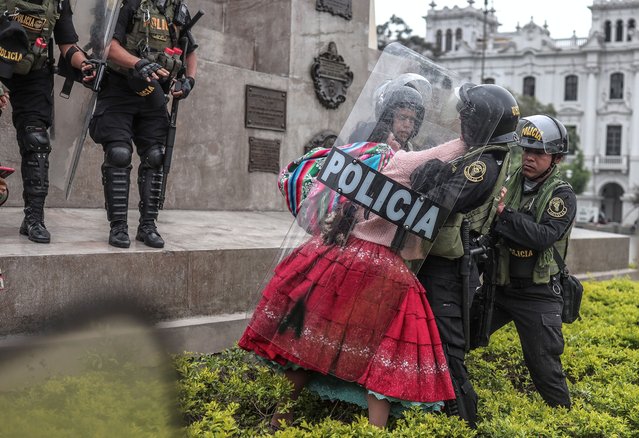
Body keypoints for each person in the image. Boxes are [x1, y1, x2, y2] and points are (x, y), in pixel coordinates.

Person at [412, 83, 520, 427]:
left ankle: (463, 422)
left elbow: (441, 202)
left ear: (481, 122)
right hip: (445, 263)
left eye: (466, 115)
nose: (460, 118)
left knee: (448, 349)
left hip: (449, 269)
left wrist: (428, 180)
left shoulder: (483, 165)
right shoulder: (484, 154)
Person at [89, 0, 198, 249]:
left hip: (153, 94)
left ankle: (148, 226)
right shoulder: (128, 4)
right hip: (119, 87)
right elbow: (107, 47)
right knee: (118, 153)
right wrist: (136, 62)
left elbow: (190, 51)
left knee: (156, 156)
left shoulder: (178, 9)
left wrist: (189, 80)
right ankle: (118, 227)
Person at [489, 114, 575, 409]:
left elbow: (542, 237)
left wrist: (505, 215)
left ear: (556, 158)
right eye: (526, 150)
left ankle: (565, 423)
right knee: (459, 335)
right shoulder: (510, 181)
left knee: (545, 370)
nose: (529, 157)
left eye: (538, 152)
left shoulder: (561, 194)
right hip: (500, 286)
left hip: (538, 294)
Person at [0, 2, 96, 243]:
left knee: (37, 141)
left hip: (34, 71)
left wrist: (83, 63)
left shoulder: (57, 2)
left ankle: (34, 218)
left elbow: (67, 43)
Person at [349, 76, 429, 151]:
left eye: (412, 120)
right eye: (402, 118)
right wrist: (384, 149)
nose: (407, 125)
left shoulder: (409, 150)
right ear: (388, 118)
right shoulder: (366, 135)